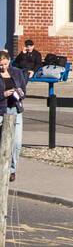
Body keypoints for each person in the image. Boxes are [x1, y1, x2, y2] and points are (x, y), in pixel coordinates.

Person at [0, 48, 27, 184]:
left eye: (5, 64)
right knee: (2, 143)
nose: (3, 67)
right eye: (0, 65)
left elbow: (23, 90)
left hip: (15, 109)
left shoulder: (16, 72)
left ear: (9, 61)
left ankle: (12, 169)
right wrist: (3, 95)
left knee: (16, 143)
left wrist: (19, 93)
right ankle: (2, 168)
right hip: (1, 111)